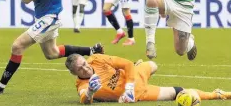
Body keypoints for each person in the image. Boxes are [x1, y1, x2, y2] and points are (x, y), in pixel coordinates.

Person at [65, 53, 231, 104]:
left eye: (84, 63)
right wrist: (91, 92)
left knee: (153, 64)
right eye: (80, 68)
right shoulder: (82, 84)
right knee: (177, 91)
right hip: (139, 93)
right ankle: (217, 94)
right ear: (74, 73)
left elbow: (126, 64)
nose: (86, 67)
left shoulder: (97, 59)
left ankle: (142, 66)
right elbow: (84, 100)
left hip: (134, 77)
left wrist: (128, 87)